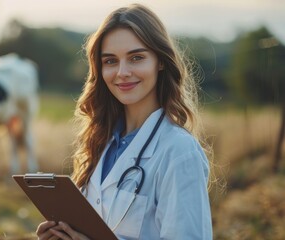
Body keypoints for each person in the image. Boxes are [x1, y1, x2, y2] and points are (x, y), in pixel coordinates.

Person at [36, 3, 212, 240]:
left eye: (136, 57)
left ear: (160, 61)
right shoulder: (101, 141)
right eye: (110, 61)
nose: (122, 72)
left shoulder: (178, 151)